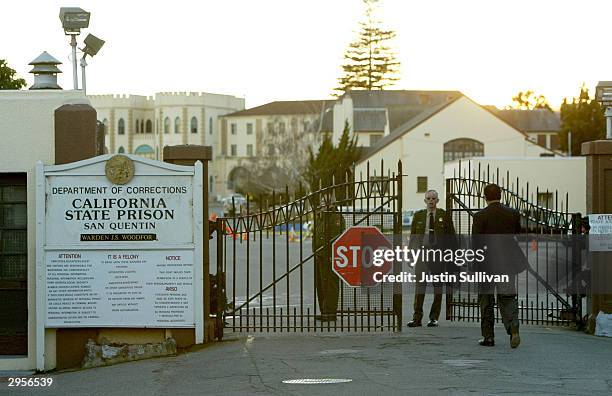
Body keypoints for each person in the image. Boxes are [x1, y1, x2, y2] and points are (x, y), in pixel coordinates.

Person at [472, 183, 528, 348]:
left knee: (486, 301)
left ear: (485, 197)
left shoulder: (480, 216)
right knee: (508, 298)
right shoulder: (512, 213)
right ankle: (513, 328)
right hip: (506, 263)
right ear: (500, 195)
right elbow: (517, 234)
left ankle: (488, 337)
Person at [407, 190, 457, 328]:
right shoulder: (418, 216)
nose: (431, 201)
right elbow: (413, 237)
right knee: (420, 287)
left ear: (437, 200)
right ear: (425, 201)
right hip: (422, 254)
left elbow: (451, 237)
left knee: (437, 287)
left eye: (433, 198)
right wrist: (410, 255)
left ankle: (433, 318)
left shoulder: (443, 215)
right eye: (428, 198)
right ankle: (416, 318)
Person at [313, 205, 345, 321]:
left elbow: (337, 238)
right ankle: (324, 311)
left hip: (329, 256)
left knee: (330, 284)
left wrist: (332, 255)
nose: (321, 205)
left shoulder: (335, 217)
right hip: (319, 254)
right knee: (321, 285)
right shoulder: (320, 217)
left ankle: (330, 312)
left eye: (325, 202)